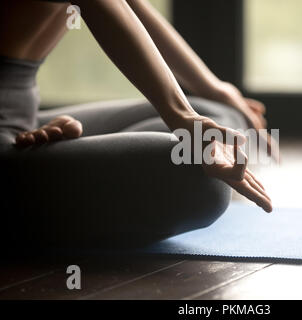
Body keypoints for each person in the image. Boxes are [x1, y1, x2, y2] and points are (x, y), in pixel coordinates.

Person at [0, 0, 273, 249]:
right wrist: (183, 118)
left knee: (219, 119)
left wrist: (213, 88)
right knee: (200, 181)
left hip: (24, 120)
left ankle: (65, 168)